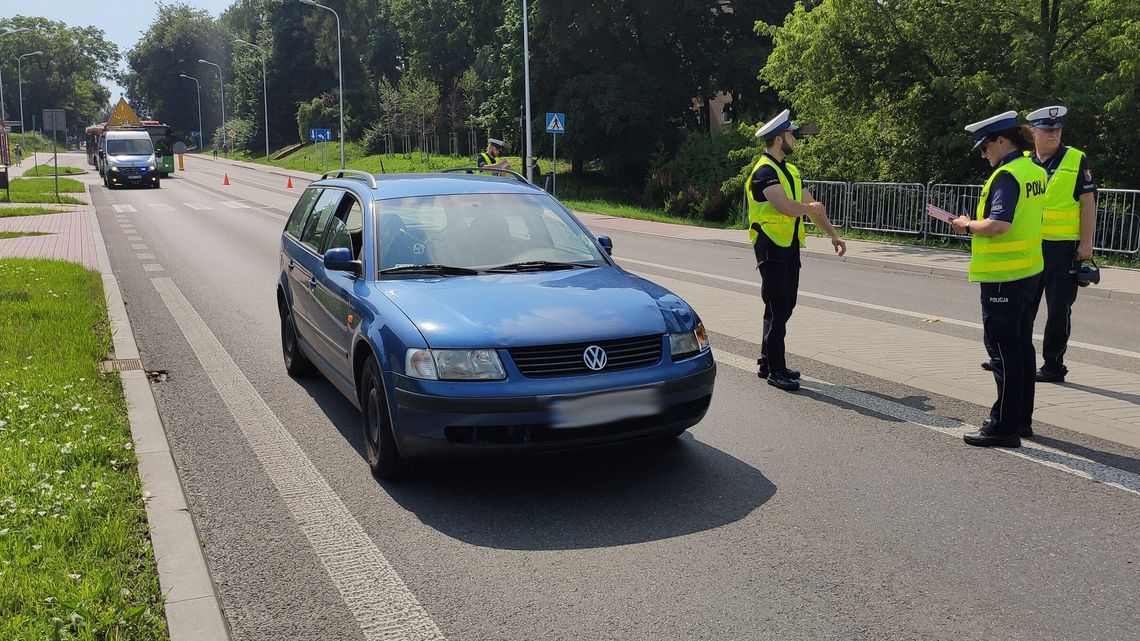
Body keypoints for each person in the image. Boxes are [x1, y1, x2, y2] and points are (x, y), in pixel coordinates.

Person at [952, 111, 1047, 448]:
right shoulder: (1034, 170)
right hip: (1028, 271)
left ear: (1002, 141)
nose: (983, 153)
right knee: (1021, 347)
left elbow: (999, 224)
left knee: (1003, 352)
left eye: (986, 146)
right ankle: (1021, 419)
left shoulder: (1007, 175)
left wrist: (966, 224)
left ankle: (1002, 425)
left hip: (1004, 277)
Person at [746, 109, 846, 392]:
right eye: (791, 134)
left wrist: (833, 235)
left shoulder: (789, 171)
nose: (794, 138)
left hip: (788, 246)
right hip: (769, 246)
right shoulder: (763, 172)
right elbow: (785, 207)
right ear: (779, 139)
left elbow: (812, 208)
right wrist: (809, 209)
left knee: (782, 305)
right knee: (779, 307)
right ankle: (775, 370)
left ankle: (768, 360)